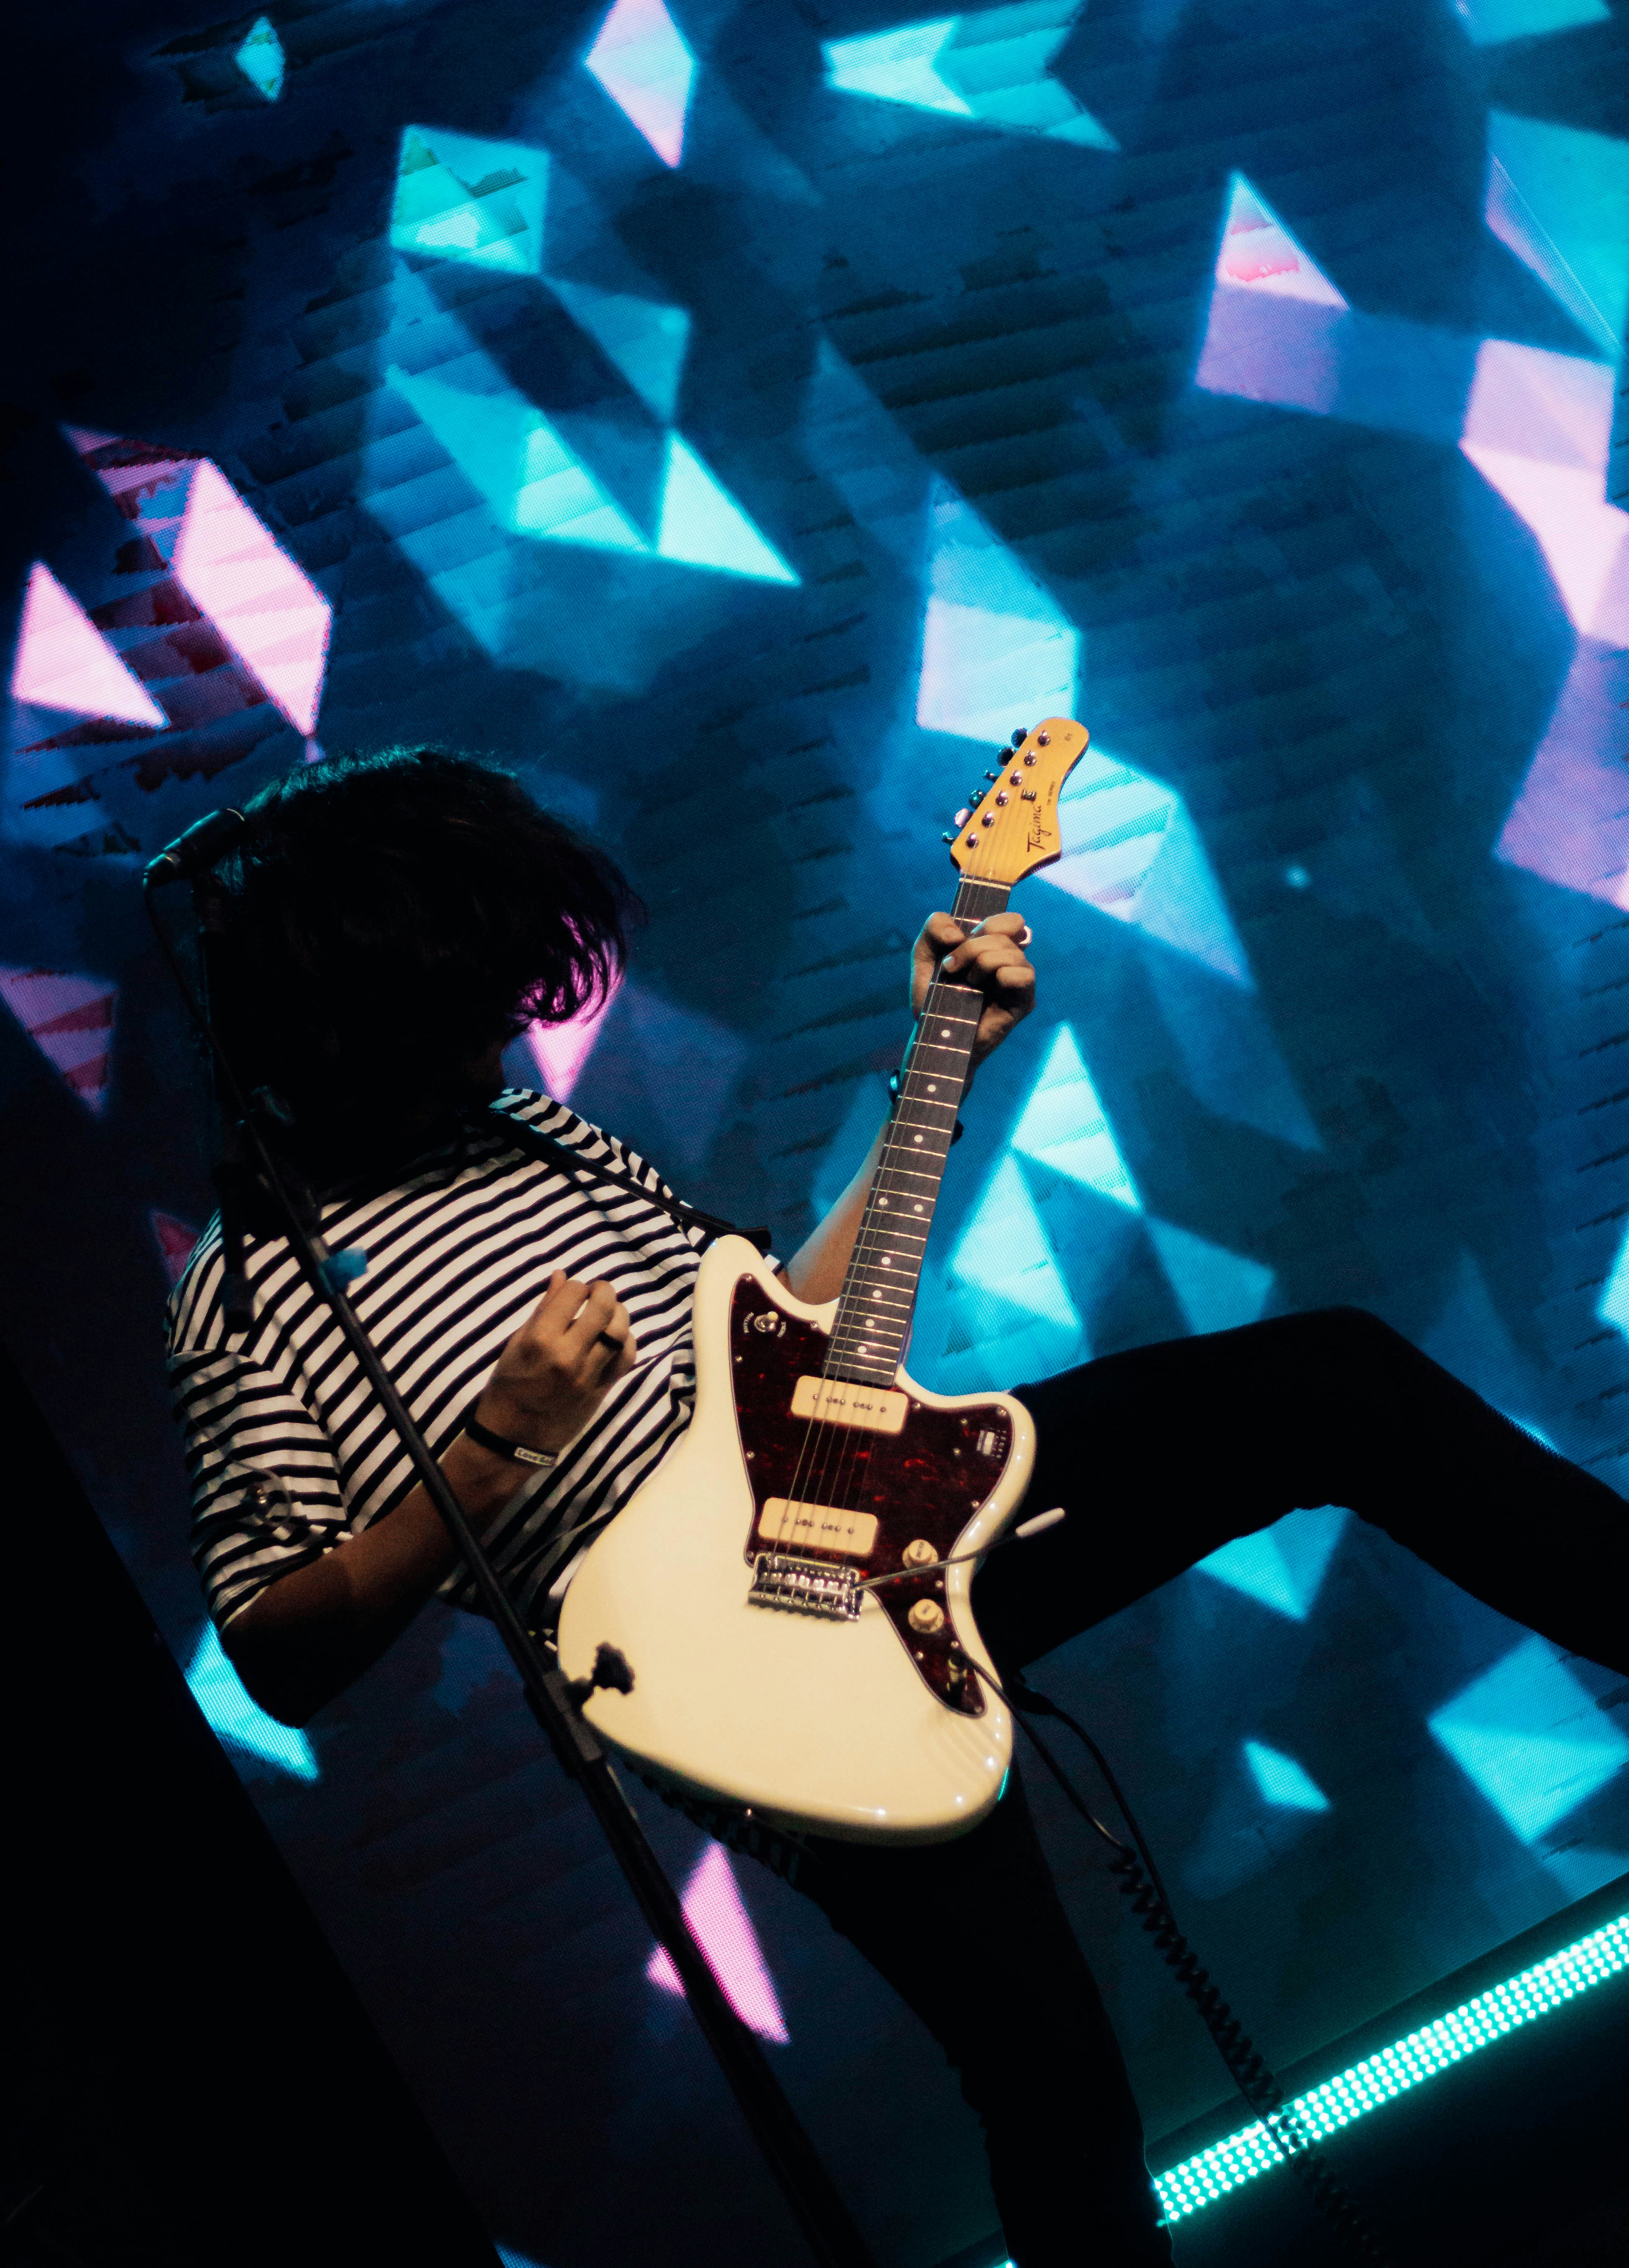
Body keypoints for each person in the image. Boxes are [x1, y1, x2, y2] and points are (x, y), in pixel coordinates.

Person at [169, 744, 1629, 2267]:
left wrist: (936, 1067)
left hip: (885, 1505)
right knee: (1054, 2078)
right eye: (461, 1008)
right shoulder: (254, 1291)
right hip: (737, 1681)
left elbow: (784, 1334)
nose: (502, 1035)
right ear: (350, 1011)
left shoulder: (535, 1133)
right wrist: (493, 1446)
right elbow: (279, 1645)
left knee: (1334, 1383)